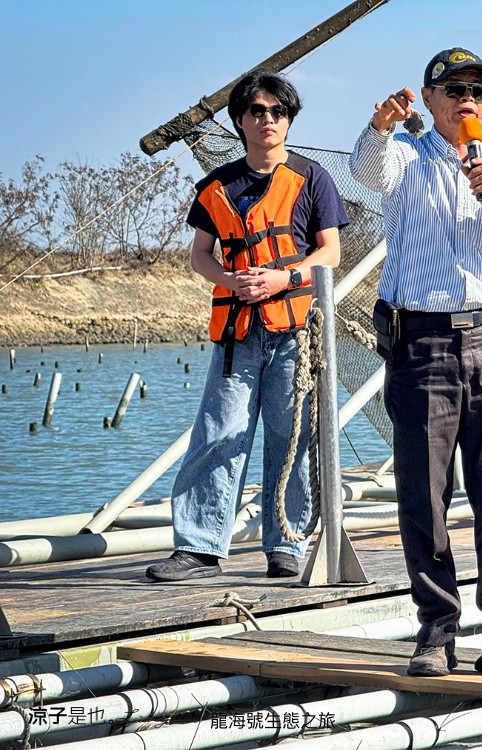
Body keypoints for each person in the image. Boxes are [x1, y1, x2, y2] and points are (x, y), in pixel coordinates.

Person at [349, 47, 482, 679]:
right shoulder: (406, 159)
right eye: (456, 89)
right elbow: (366, 171)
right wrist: (380, 125)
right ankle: (436, 632)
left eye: (479, 91)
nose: (469, 100)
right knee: (424, 493)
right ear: (430, 99)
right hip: (421, 343)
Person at [147, 70, 350, 582]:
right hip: (238, 334)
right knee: (219, 432)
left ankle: (288, 542)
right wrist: (232, 280)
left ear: (288, 120)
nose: (268, 120)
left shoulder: (312, 178)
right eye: (258, 111)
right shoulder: (216, 186)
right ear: (240, 120)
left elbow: (331, 251)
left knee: (292, 437)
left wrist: (283, 276)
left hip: (296, 331)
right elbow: (200, 256)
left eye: (277, 112)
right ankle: (199, 546)